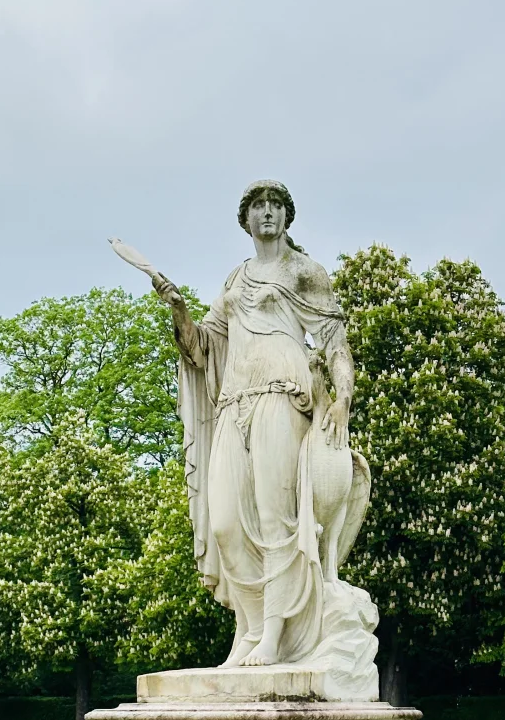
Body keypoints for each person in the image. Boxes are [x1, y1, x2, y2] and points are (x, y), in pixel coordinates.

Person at [151, 181, 376, 691]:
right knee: (226, 523)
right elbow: (202, 348)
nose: (267, 212)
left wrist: (342, 398)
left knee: (276, 518)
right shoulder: (236, 277)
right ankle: (249, 630)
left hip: (284, 394)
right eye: (258, 206)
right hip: (234, 400)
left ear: (287, 216)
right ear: (246, 219)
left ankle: (273, 634)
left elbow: (336, 343)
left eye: (275, 205)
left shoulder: (304, 271)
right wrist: (178, 309)